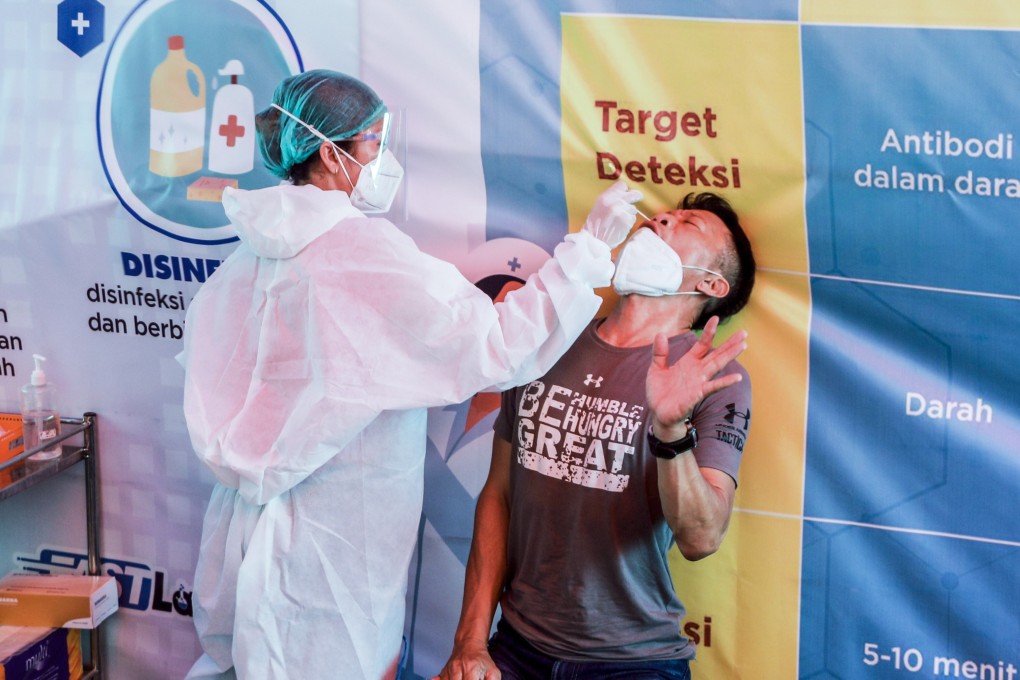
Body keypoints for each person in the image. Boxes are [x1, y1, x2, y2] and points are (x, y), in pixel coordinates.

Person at [176, 69, 642, 680]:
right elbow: (496, 347)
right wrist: (588, 252)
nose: (383, 158)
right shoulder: (362, 255)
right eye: (373, 144)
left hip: (243, 552)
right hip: (335, 561)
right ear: (330, 154)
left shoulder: (243, 264)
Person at [436, 192, 756, 680]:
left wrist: (670, 430)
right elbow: (498, 494)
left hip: (634, 663)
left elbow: (701, 536)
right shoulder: (549, 335)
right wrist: (470, 642)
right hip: (516, 649)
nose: (663, 217)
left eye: (688, 223)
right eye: (666, 213)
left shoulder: (713, 376)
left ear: (711, 283)